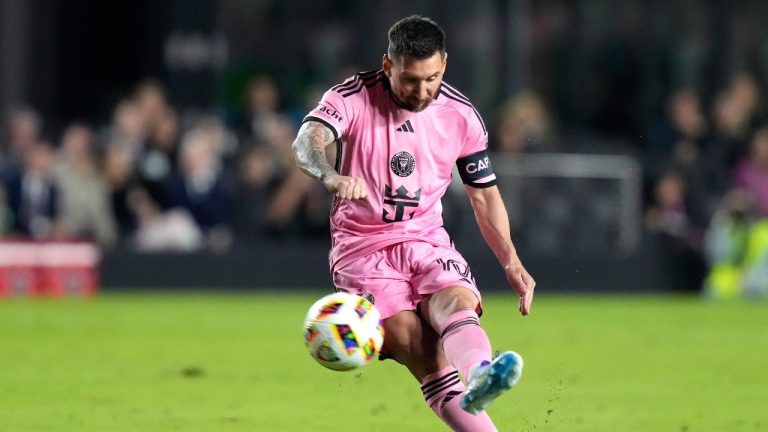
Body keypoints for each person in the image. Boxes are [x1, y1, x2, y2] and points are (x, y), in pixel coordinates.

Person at [292, 15, 535, 431]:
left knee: (456, 301)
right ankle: (472, 385)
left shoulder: (461, 116)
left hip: (426, 238)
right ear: (388, 66)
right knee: (422, 349)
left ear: (444, 63)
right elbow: (307, 140)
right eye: (409, 79)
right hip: (362, 249)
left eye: (432, 78)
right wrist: (330, 175)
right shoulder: (351, 97)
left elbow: (484, 194)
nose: (421, 91)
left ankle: (480, 374)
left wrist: (511, 261)